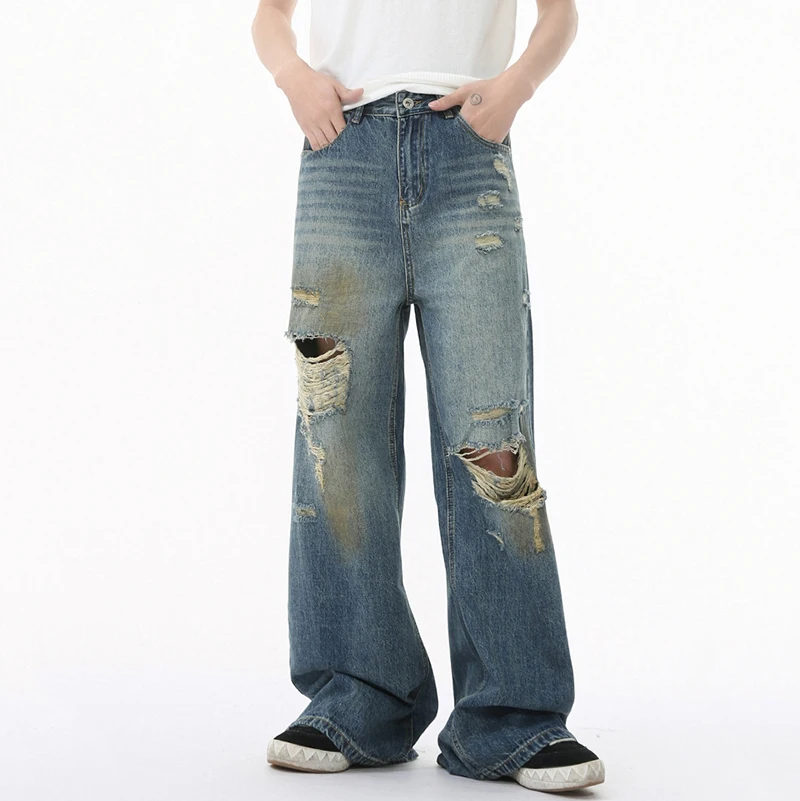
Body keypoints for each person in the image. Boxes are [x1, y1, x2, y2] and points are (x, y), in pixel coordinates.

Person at [251, 0, 605, 792]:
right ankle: (356, 699)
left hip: (467, 150)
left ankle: (512, 717)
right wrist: (291, 75)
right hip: (342, 151)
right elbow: (271, 12)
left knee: (493, 437)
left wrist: (518, 86)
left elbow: (559, 13)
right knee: (337, 438)